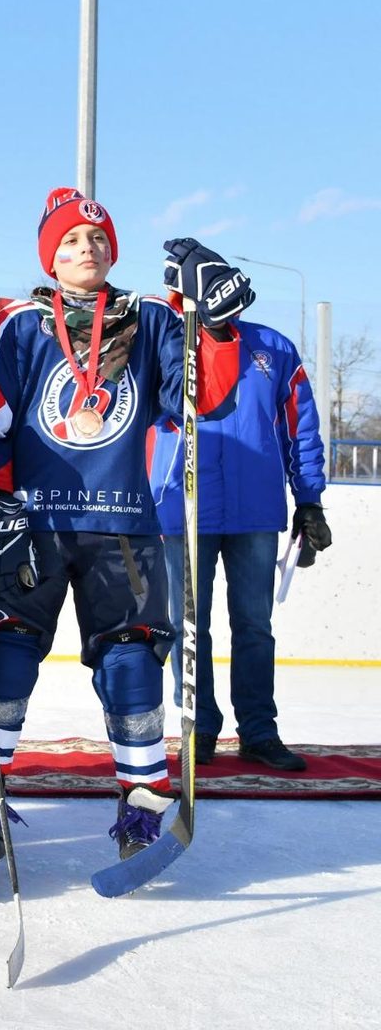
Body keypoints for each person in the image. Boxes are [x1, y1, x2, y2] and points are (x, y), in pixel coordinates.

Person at [0, 189, 249, 864]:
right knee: (5, 657)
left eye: (95, 239)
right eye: (69, 241)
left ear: (112, 249)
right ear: (48, 254)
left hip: (123, 526)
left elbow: (203, 397)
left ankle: (144, 802)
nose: (85, 249)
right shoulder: (22, 324)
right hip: (32, 522)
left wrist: (215, 324)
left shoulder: (149, 318)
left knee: (131, 660)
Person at [149, 309, 331, 771]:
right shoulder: (166, 338)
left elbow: (300, 426)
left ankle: (258, 731)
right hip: (184, 507)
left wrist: (309, 499)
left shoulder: (273, 345)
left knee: (254, 625)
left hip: (255, 508)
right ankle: (199, 728)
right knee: (189, 627)